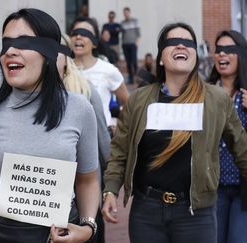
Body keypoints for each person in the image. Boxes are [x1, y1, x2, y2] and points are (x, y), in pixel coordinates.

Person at [0, 8, 100, 243]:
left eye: (23, 42)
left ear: (49, 51)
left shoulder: (80, 109)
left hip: (57, 234)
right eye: (6, 42)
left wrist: (88, 226)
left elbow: (88, 180)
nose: (10, 51)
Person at [102, 22, 247, 243]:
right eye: (173, 42)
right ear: (161, 57)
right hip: (147, 212)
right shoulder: (139, 100)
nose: (181, 45)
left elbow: (242, 148)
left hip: (196, 214)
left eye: (188, 43)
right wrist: (111, 190)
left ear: (195, 56)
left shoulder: (216, 99)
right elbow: (120, 150)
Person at [58, 33, 111, 243]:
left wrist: (108, 186)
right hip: (55, 189)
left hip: (78, 185)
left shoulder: (85, 88)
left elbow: (103, 139)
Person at [208, 30, 247, 243]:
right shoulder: (204, 92)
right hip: (214, 187)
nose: (222, 54)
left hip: (243, 189)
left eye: (229, 50)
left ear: (240, 54)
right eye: (218, 50)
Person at [70, 16, 129, 129]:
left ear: (94, 42)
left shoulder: (108, 70)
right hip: (71, 139)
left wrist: (118, 127)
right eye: (75, 33)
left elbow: (128, 103)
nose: (78, 36)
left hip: (101, 139)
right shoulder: (63, 69)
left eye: (85, 33)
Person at [121, 7, 140, 84]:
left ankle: (136, 76)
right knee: (128, 62)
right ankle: (130, 78)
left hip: (133, 44)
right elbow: (122, 34)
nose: (126, 14)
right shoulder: (122, 23)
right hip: (125, 44)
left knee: (134, 61)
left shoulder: (135, 21)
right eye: (124, 13)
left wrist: (136, 42)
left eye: (127, 12)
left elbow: (138, 33)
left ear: (129, 13)